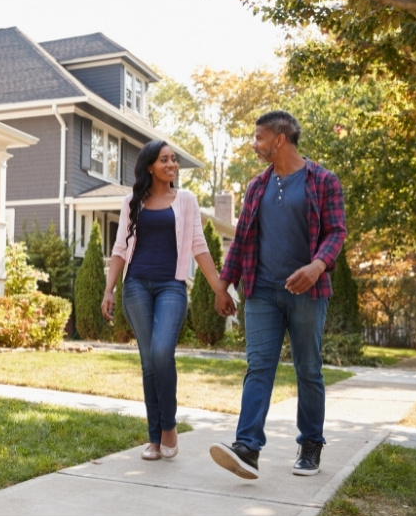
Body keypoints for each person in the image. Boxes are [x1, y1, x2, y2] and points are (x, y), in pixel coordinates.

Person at [209, 110, 346, 479]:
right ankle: (247, 447)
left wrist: (317, 266)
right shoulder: (257, 186)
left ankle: (311, 443)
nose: (255, 145)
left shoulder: (323, 181)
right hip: (262, 290)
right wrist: (224, 284)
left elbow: (336, 232)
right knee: (259, 367)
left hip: (308, 291)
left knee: (308, 369)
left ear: (279, 139)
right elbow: (241, 240)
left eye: (259, 138)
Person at [101, 139, 235, 461]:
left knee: (162, 353)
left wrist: (220, 287)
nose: (172, 164)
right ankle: (154, 439)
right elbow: (120, 248)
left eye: (174, 160)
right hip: (135, 286)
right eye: (165, 160)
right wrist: (109, 289)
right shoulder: (132, 201)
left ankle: (169, 427)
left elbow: (198, 245)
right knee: (149, 362)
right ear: (150, 166)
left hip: (171, 286)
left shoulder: (185, 200)